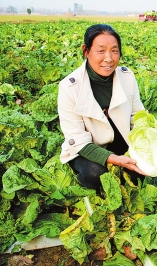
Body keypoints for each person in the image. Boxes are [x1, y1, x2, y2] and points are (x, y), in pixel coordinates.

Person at [58, 24, 146, 189]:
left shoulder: (127, 77)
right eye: (101, 51)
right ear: (86, 51)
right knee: (96, 174)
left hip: (119, 140)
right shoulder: (69, 88)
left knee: (143, 172)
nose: (109, 58)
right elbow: (78, 141)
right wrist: (114, 159)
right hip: (87, 147)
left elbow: (138, 117)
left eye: (114, 50)